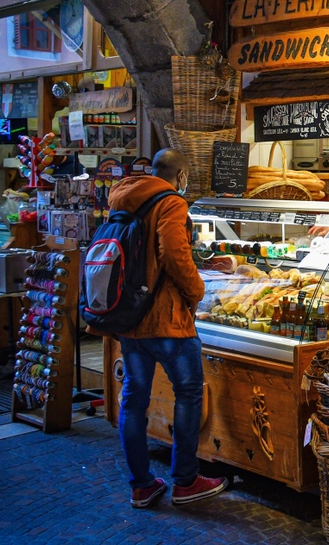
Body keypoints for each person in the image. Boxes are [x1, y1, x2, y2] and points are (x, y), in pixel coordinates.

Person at [110, 149, 228, 508]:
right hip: (167, 320)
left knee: (133, 399)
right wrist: (196, 291)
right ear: (180, 175)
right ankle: (186, 481)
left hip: (130, 318)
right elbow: (173, 252)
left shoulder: (123, 196)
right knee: (190, 394)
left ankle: (142, 485)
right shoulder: (171, 202)